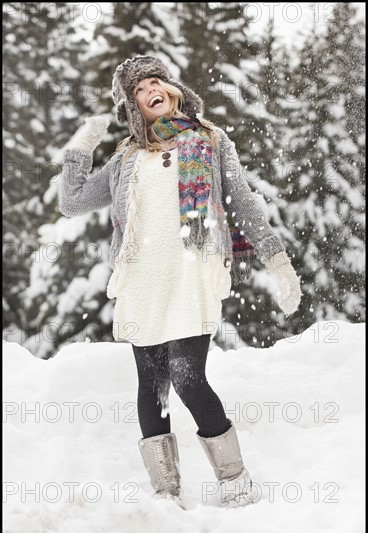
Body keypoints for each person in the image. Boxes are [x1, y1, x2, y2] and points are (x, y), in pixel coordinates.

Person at [59, 54, 301, 509]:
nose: (150, 89)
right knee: (151, 386)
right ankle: (166, 493)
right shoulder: (126, 158)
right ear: (133, 108)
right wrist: (82, 144)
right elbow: (71, 202)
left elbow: (243, 202)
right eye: (137, 90)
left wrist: (277, 260)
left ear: (169, 88)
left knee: (188, 378)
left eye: (155, 80)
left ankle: (235, 482)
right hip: (141, 278)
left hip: (192, 272)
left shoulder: (209, 139)